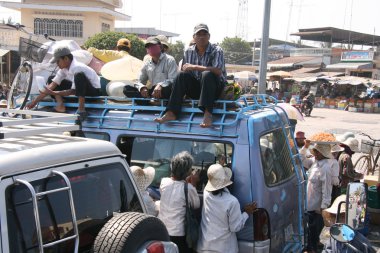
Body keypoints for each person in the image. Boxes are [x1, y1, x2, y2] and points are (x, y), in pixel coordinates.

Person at [154, 23, 227, 128]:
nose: (201, 37)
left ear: (209, 36)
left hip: (214, 89)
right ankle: (172, 112)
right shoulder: (188, 51)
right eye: (198, 34)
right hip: (199, 90)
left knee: (207, 74)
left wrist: (195, 67)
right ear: (194, 37)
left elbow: (218, 71)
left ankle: (208, 113)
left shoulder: (217, 50)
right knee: (181, 75)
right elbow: (184, 70)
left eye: (204, 34)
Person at [26, 46, 100, 120]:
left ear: (66, 59)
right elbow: (52, 86)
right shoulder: (63, 69)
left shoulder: (77, 67)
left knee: (79, 75)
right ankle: (60, 106)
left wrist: (54, 93)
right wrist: (34, 102)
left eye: (58, 61)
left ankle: (81, 109)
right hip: (80, 91)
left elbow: (74, 91)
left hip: (92, 93)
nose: (57, 64)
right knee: (52, 79)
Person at [197, 164, 257, 253]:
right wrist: (246, 213)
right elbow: (235, 227)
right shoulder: (232, 202)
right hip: (224, 249)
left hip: (204, 247)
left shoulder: (206, 192)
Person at [158, 151, 200, 253]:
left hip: (161, 230)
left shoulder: (164, 182)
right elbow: (196, 205)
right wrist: (193, 183)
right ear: (187, 172)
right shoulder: (189, 188)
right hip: (178, 233)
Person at [123, 37, 177, 104]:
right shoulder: (147, 63)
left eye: (153, 46)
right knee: (126, 89)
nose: (150, 48)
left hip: (165, 91)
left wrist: (160, 85)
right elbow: (138, 80)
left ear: (160, 47)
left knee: (168, 88)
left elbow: (173, 79)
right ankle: (150, 101)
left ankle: (149, 102)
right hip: (153, 92)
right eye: (148, 47)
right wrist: (142, 87)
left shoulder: (170, 60)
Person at [306, 143, 333, 253]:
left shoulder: (326, 168)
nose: (315, 154)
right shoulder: (315, 164)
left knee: (313, 232)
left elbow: (327, 189)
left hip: (316, 207)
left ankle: (313, 249)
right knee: (310, 232)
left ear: (322, 153)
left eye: (317, 152)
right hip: (309, 203)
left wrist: (324, 206)